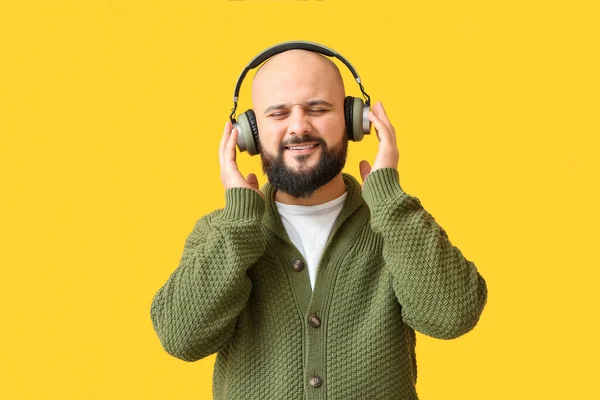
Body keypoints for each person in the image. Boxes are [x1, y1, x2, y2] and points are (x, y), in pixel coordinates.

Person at [150, 47, 488, 400]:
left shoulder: (397, 225)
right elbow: (180, 338)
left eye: (318, 109)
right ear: (248, 134)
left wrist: (390, 200)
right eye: (278, 113)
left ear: (355, 121)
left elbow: (453, 317)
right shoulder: (221, 232)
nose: (299, 126)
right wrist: (238, 225)